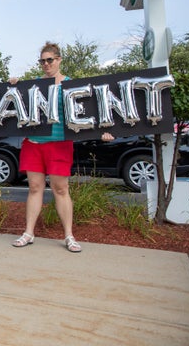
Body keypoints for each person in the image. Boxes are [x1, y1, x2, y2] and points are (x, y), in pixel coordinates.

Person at [10, 42, 113, 252]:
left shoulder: (71, 85)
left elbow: (87, 112)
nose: (46, 64)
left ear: (59, 60)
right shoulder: (32, 85)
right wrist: (13, 86)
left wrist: (103, 132)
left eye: (50, 60)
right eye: (43, 60)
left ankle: (69, 235)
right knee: (34, 187)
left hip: (59, 144)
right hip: (34, 143)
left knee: (60, 189)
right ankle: (28, 232)